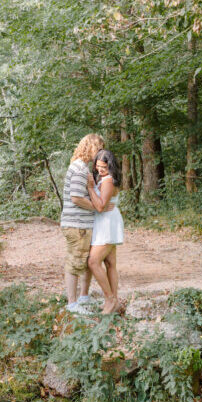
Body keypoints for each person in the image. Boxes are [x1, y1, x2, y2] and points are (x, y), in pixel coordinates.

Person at [60, 133, 106, 314]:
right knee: (75, 261)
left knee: (87, 262)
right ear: (91, 148)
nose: (100, 154)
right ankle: (72, 304)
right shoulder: (79, 169)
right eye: (99, 149)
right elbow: (76, 198)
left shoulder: (82, 168)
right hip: (77, 226)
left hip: (83, 225)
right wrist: (96, 208)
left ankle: (83, 298)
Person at [87, 149, 125, 314]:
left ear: (111, 166)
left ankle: (110, 299)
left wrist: (90, 188)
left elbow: (101, 206)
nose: (100, 169)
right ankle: (113, 301)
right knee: (110, 264)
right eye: (98, 165)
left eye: (104, 167)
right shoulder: (105, 179)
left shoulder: (108, 181)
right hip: (106, 221)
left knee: (93, 262)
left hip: (107, 223)